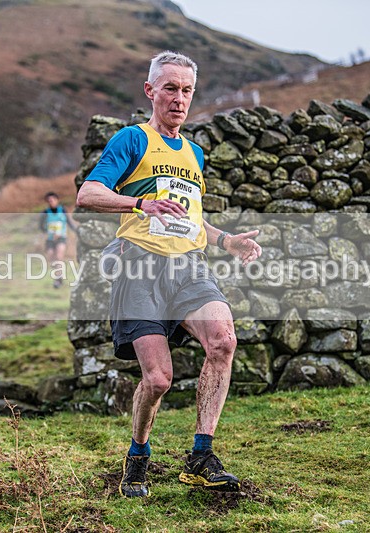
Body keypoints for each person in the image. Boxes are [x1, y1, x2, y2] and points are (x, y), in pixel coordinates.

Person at [75, 51, 262, 498]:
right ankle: (138, 453)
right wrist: (140, 203)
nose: (179, 98)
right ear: (150, 91)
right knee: (158, 380)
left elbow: (189, 219)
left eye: (187, 90)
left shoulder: (195, 154)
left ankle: (201, 456)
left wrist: (225, 241)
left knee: (223, 340)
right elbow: (88, 193)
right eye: (170, 88)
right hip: (139, 269)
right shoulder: (132, 140)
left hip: (188, 268)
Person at [39, 191, 76, 288]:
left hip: (61, 238)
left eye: (53, 200)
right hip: (50, 239)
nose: (51, 202)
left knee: (59, 256)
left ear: (57, 200)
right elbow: (41, 226)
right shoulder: (45, 213)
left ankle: (58, 279)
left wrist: (77, 231)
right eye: (49, 200)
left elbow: (70, 223)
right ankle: (59, 274)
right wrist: (48, 232)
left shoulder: (63, 210)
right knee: (51, 258)